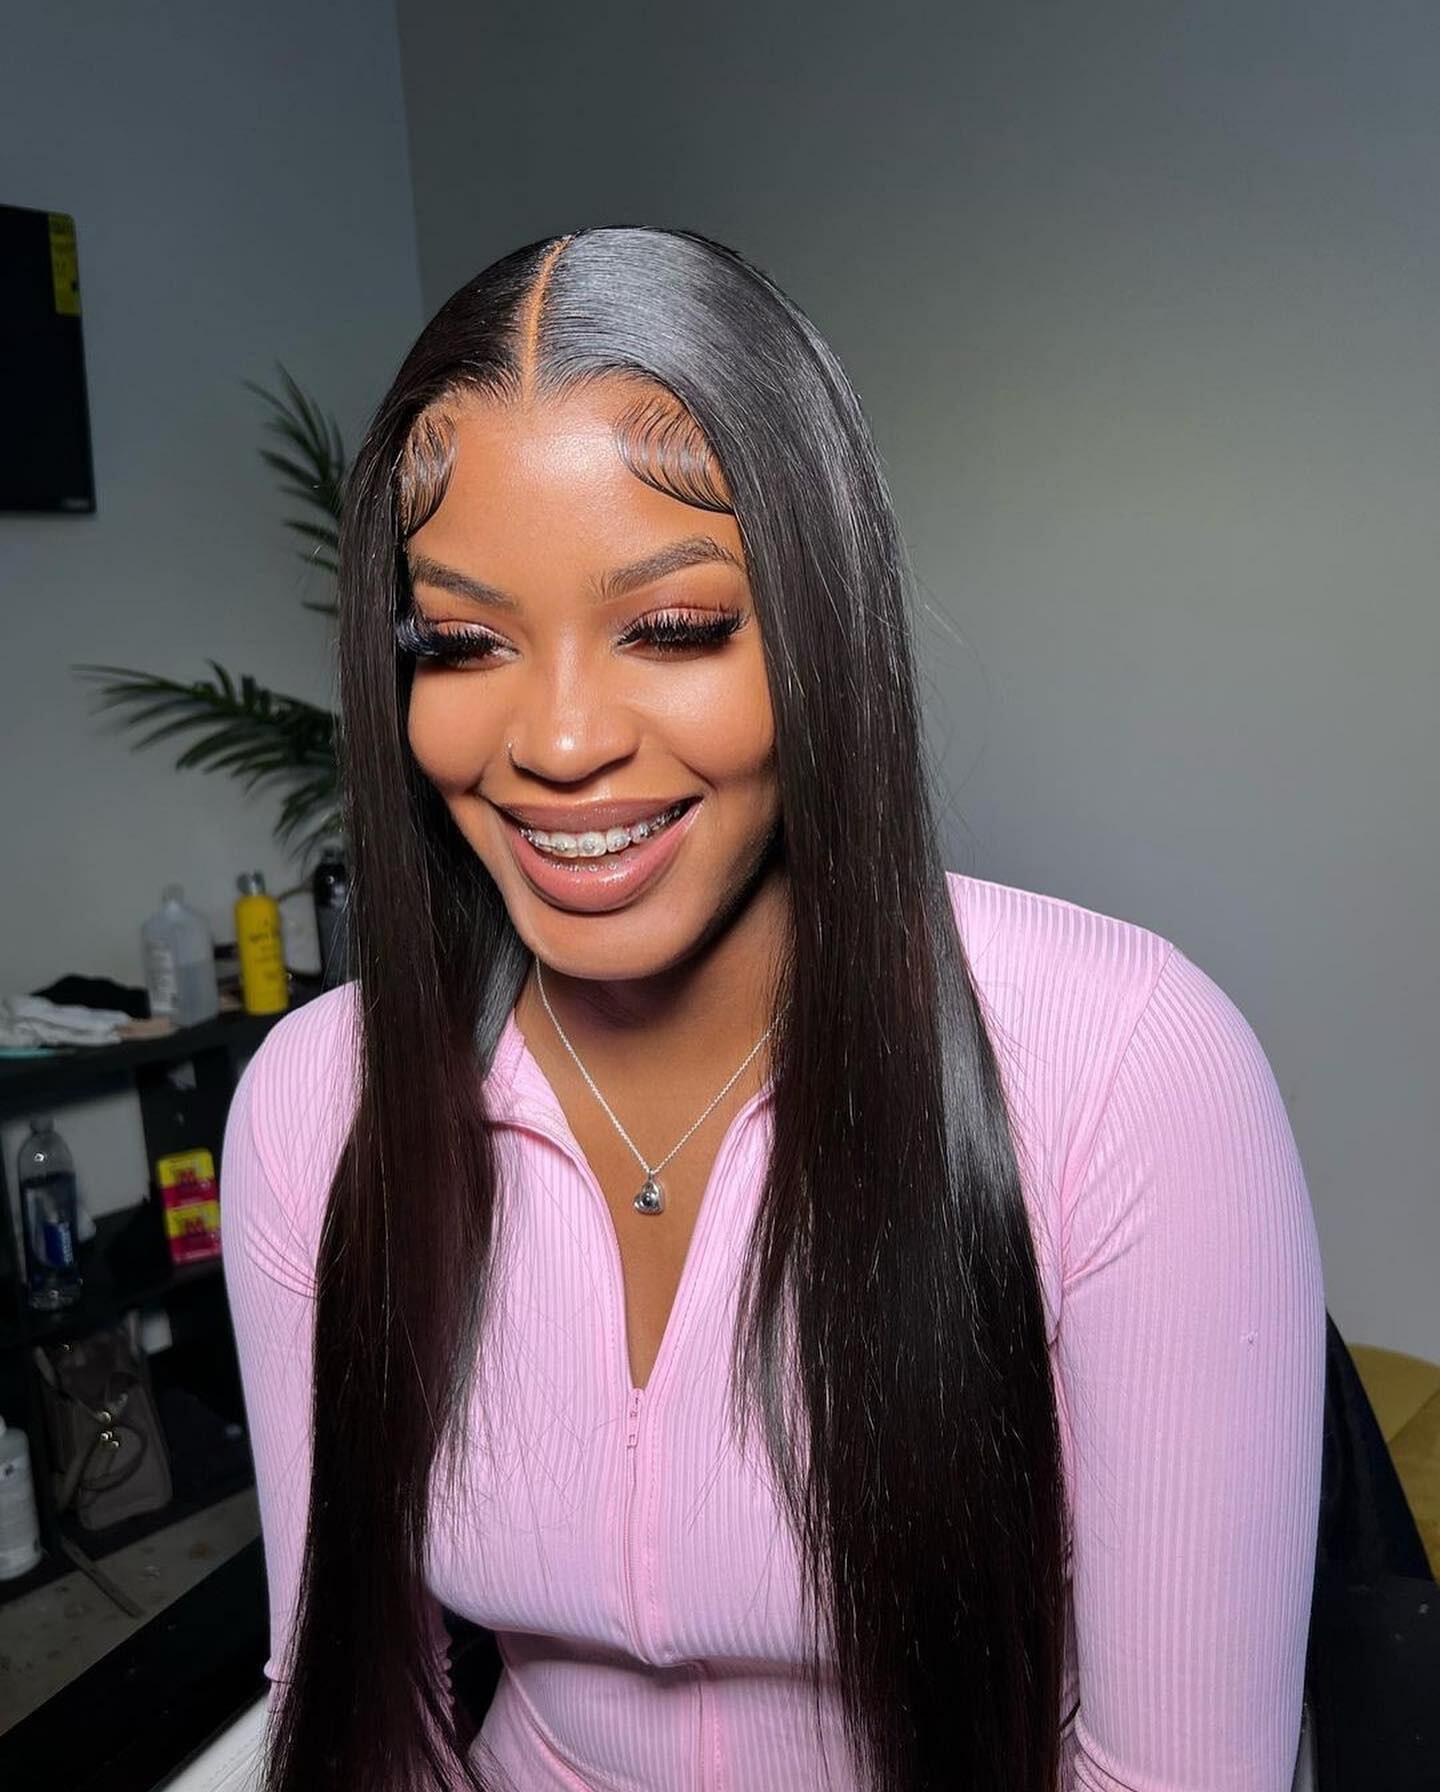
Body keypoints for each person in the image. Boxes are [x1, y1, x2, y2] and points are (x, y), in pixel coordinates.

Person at [220, 226, 1326, 1792]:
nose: (559, 741)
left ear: (824, 625)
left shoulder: (1130, 1069)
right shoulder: (314, 1108)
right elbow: (359, 1714)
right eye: (461, 643)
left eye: (673, 627)